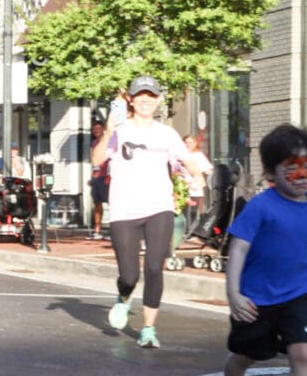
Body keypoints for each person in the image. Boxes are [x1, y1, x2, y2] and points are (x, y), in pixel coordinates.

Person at [212, 125, 307, 376]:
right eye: (291, 168)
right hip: (256, 296)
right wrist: (234, 294)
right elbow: (238, 249)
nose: (302, 175)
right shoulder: (261, 207)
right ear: (271, 172)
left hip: (299, 292)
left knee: (304, 353)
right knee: (245, 355)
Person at [92, 75, 196, 349]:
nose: (146, 100)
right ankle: (123, 298)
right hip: (125, 208)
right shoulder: (120, 130)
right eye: (140, 96)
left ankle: (148, 329)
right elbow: (97, 159)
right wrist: (108, 132)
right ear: (131, 100)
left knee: (154, 267)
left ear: (159, 100)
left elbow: (186, 160)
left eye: (151, 96)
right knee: (129, 276)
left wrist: (196, 176)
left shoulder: (167, 134)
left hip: (158, 207)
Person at [180, 134, 215, 230]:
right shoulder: (178, 154)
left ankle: (190, 231)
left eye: (190, 142)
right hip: (180, 186)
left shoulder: (198, 155)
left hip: (194, 187)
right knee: (181, 210)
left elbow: (208, 169)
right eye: (186, 142)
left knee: (192, 211)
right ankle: (182, 230)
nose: (188, 145)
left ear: (195, 144)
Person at [88, 122, 110, 239]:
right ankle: (98, 230)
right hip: (96, 177)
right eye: (94, 129)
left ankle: (113, 230)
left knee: (111, 203)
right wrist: (92, 177)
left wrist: (109, 176)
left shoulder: (108, 142)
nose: (96, 131)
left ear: (103, 130)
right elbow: (94, 161)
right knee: (97, 204)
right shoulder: (93, 143)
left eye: (98, 128)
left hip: (106, 176)